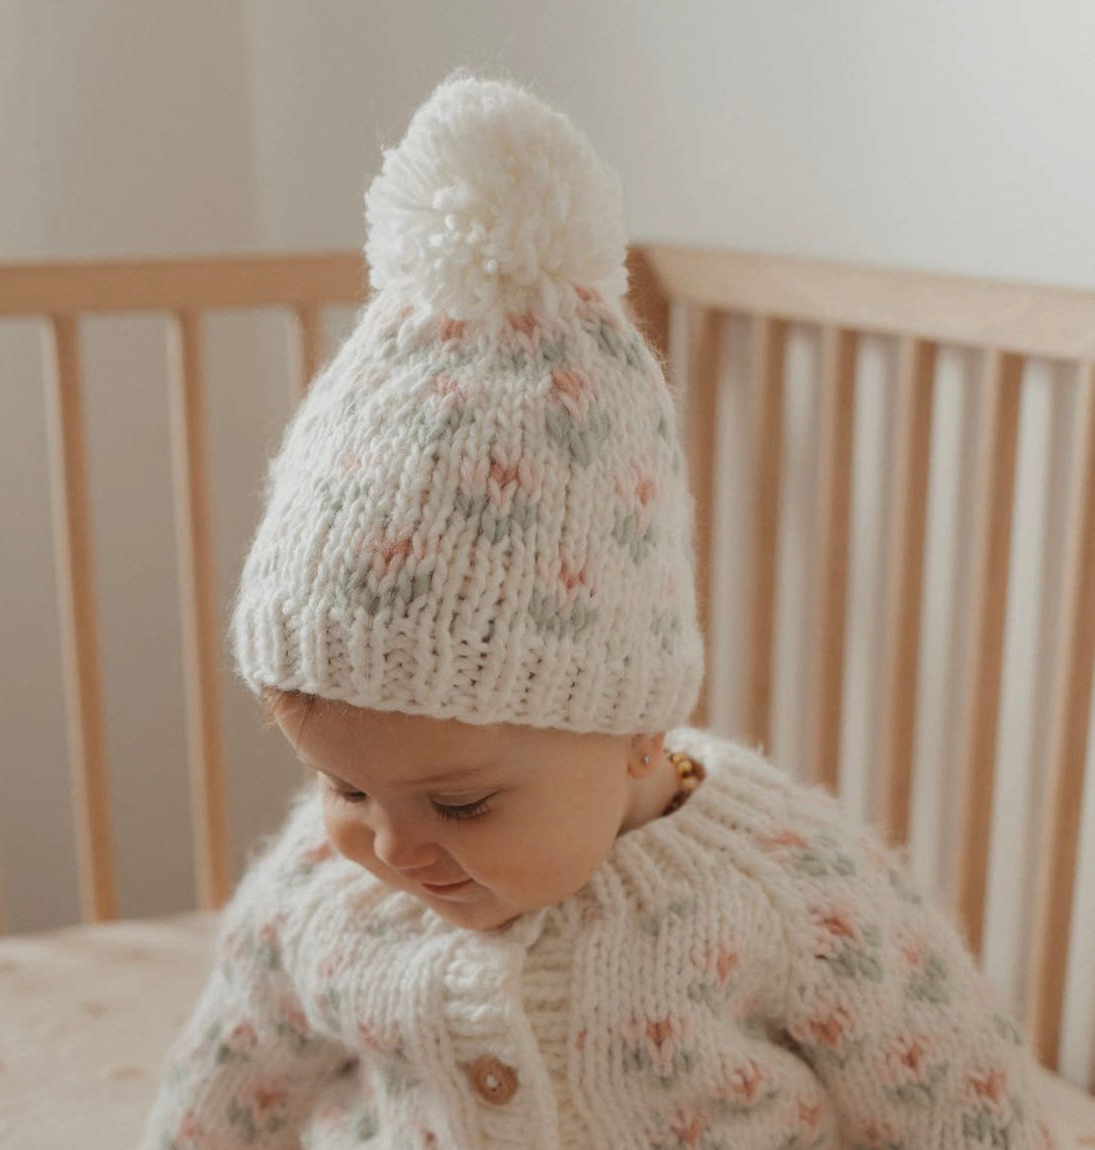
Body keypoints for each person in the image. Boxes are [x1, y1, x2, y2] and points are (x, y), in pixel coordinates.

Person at [141, 67, 1055, 1149]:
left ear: (636, 733)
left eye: (461, 805)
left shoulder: (784, 883)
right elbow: (226, 1081)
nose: (391, 846)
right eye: (344, 786)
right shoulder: (313, 891)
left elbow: (954, 1083)